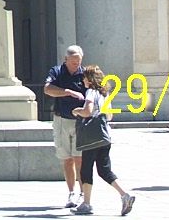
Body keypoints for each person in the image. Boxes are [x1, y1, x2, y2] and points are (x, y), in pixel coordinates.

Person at [71, 64, 136, 216]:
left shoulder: (90, 92)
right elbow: (109, 115)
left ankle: (86, 203)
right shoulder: (105, 93)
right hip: (105, 136)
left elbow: (87, 111)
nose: (83, 80)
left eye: (84, 77)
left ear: (89, 79)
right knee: (104, 170)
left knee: (86, 169)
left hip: (91, 137)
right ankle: (124, 195)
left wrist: (77, 111)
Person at [44, 45, 87, 208]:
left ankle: (84, 193)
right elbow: (48, 89)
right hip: (61, 119)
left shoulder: (85, 74)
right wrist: (68, 92)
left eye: (79, 61)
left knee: (80, 158)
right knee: (67, 159)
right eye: (74, 62)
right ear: (66, 59)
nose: (77, 65)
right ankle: (71, 193)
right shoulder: (56, 72)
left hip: (80, 121)